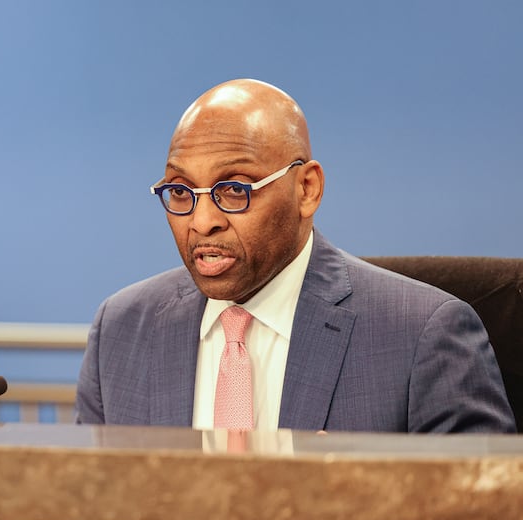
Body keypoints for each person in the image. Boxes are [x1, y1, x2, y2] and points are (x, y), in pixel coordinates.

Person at [76, 78, 516, 433]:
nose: (202, 221)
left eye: (235, 189)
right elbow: (84, 505)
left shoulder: (422, 336)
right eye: (180, 191)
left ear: (307, 189)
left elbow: (481, 509)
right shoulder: (121, 329)